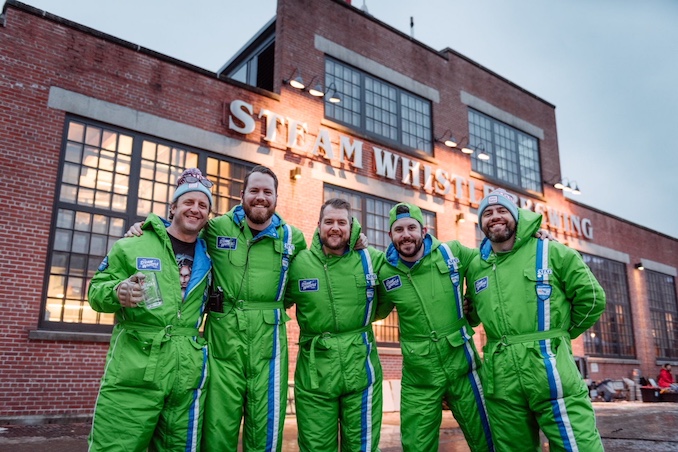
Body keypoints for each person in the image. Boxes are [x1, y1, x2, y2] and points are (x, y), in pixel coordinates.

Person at [466, 189, 606, 451]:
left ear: (517, 217)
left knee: (578, 445)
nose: (494, 217)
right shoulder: (477, 266)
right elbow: (471, 313)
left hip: (551, 369)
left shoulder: (551, 251)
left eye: (502, 211)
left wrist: (561, 335)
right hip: (501, 378)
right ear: (480, 223)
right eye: (487, 213)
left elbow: (592, 298)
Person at [87, 168, 214, 451]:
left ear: (208, 216)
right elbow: (96, 291)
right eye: (188, 202)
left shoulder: (210, 254)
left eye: (203, 205)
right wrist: (117, 292)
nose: (195, 209)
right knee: (116, 446)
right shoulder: (134, 244)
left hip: (187, 373)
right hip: (135, 367)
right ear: (173, 207)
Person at [201, 165, 307, 451]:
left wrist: (357, 240)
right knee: (217, 424)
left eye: (267, 192)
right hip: (223, 338)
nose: (261, 197)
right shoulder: (216, 228)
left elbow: (310, 274)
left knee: (266, 426)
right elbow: (179, 233)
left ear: (276, 197)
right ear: (242, 194)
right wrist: (146, 227)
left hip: (268, 342)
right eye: (254, 191)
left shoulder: (292, 238)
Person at [376, 203, 494, 452]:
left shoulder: (452, 253)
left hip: (464, 367)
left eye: (411, 228)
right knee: (416, 445)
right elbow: (375, 309)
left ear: (424, 230)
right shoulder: (385, 271)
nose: (406, 234)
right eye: (398, 229)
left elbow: (489, 261)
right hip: (420, 375)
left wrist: (471, 305)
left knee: (488, 438)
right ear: (390, 235)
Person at [284, 198, 385, 451]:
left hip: (361, 369)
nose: (335, 227)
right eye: (329, 221)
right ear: (318, 226)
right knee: (316, 446)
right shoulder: (299, 264)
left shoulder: (371, 260)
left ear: (352, 227)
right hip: (315, 373)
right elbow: (276, 301)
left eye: (342, 222)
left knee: (362, 446)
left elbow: (398, 287)